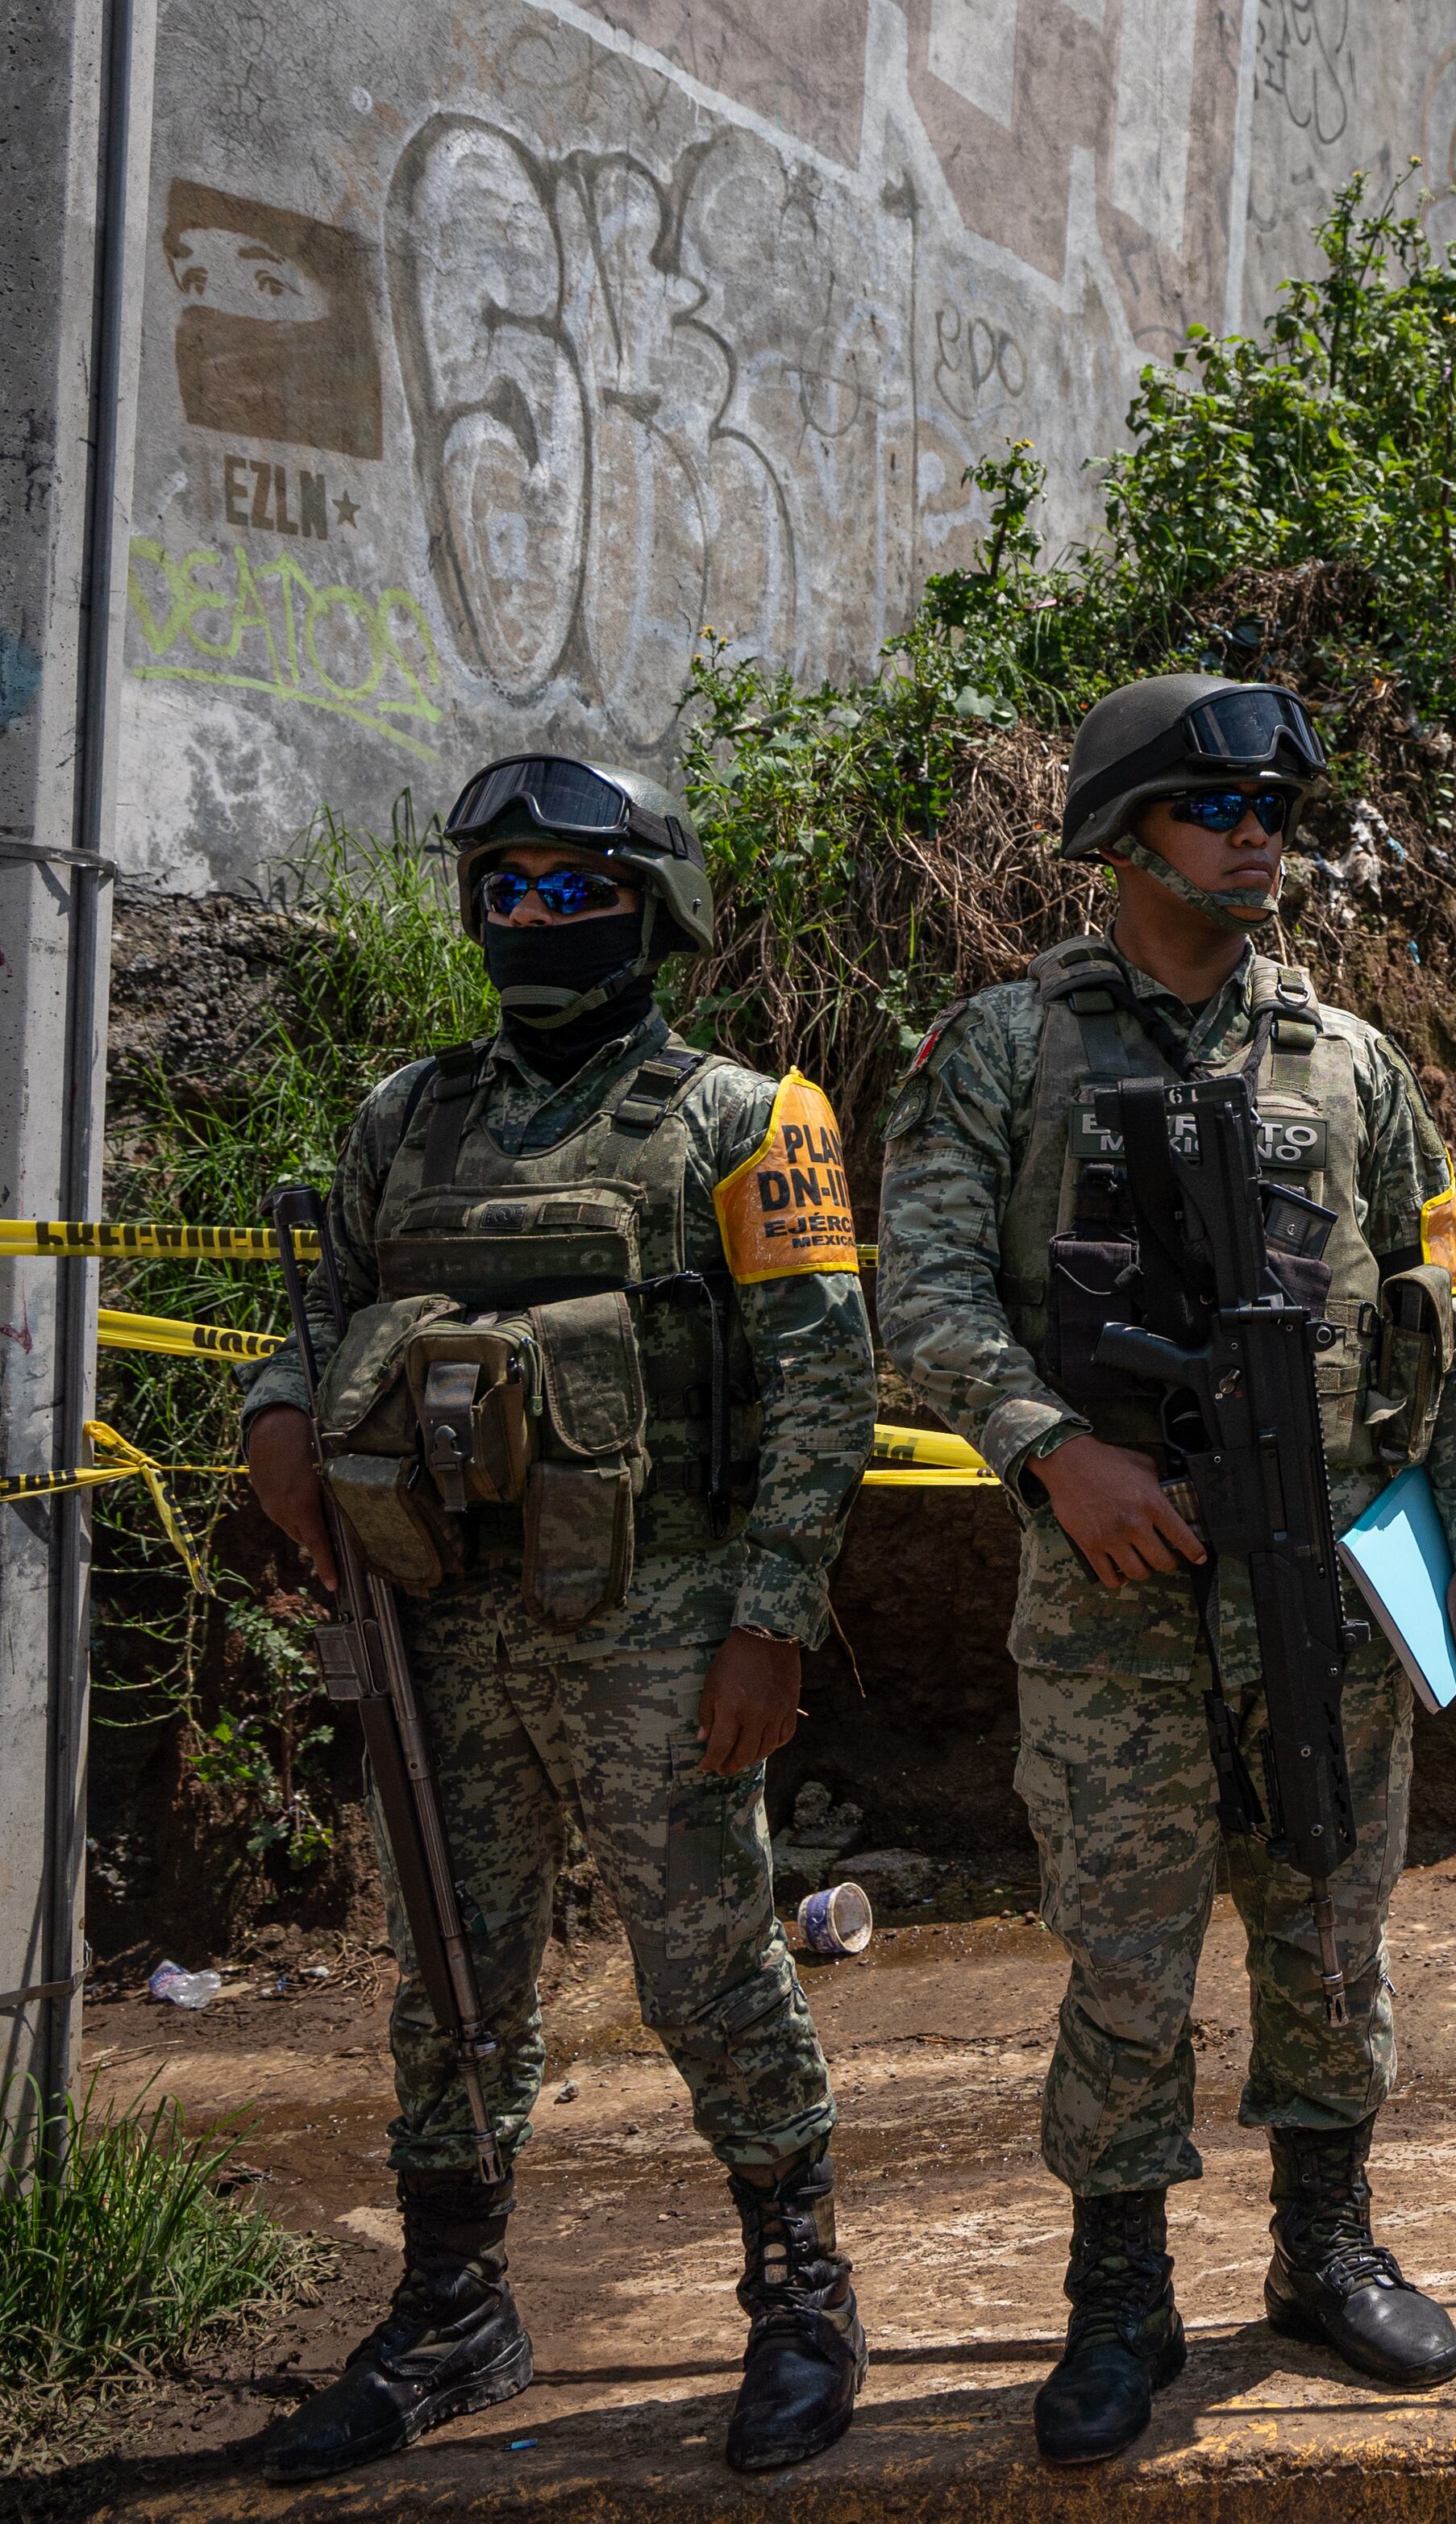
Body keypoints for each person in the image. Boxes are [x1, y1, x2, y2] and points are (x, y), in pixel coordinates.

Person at [874, 675, 1456, 2464]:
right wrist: (1047, 1444)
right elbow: (919, 1299)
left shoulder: (1353, 1060)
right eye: (1222, 803)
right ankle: (1119, 2293)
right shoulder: (1003, 1049)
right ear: (1128, 827)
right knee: (1128, 1959)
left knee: (1333, 1923)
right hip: (1114, 1601)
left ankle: (1323, 2246)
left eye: (1281, 812)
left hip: (1324, 1579)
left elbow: (1443, 1306)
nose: (1260, 836)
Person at [239, 757, 878, 2479]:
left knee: (710, 1964)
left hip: (661, 1620)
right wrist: (279, 1411)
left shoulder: (746, 1118)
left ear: (650, 906)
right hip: (445, 1617)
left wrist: (770, 1619)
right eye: (503, 887)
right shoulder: (405, 1118)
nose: (532, 916)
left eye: (568, 884)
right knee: (452, 1975)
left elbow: (824, 1385)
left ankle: (800, 2292)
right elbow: (327, 1313)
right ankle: (455, 2308)